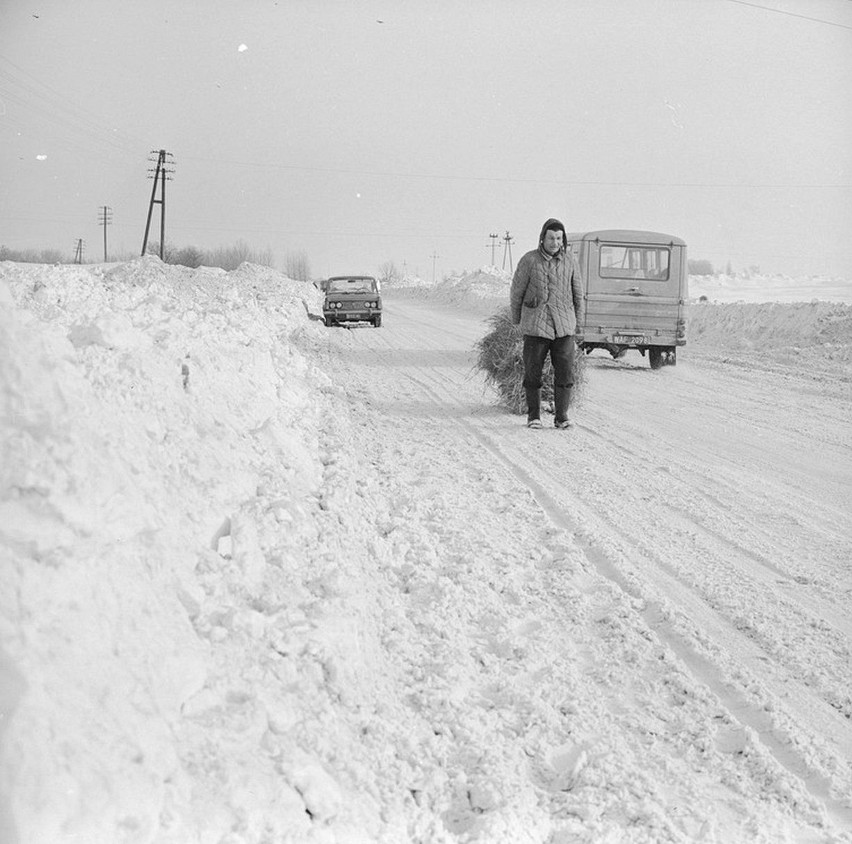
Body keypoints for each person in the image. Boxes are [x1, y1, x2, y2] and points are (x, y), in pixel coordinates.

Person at [509, 218, 584, 429]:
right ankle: (534, 416)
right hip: (536, 325)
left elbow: (578, 294)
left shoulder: (570, 261)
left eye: (559, 238)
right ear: (543, 238)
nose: (555, 242)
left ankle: (561, 417)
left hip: (564, 326)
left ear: (563, 240)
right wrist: (517, 321)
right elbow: (517, 292)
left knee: (565, 373)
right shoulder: (529, 260)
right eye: (551, 237)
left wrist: (579, 324)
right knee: (533, 372)